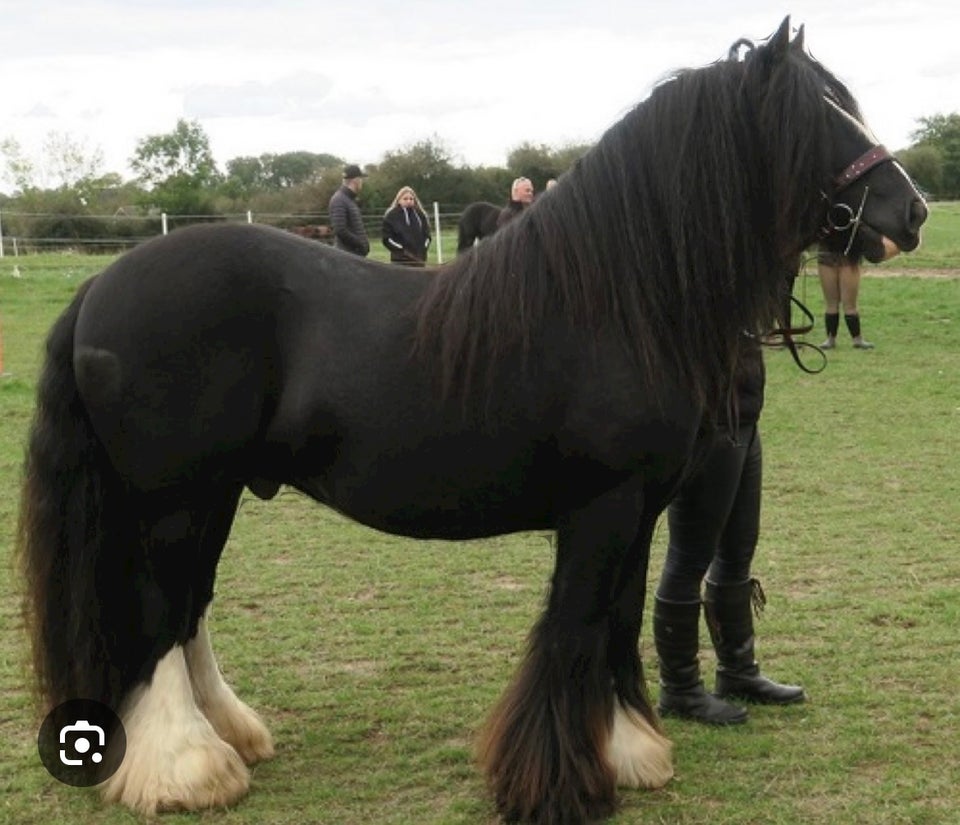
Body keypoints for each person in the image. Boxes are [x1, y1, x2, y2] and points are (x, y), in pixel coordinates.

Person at [653, 340, 805, 725]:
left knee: (737, 553)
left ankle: (738, 670)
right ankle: (680, 688)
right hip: (710, 423)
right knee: (690, 559)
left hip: (744, 418)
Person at [817, 249, 874, 349]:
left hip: (849, 256)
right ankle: (830, 339)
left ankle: (857, 339)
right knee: (831, 303)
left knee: (850, 304)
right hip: (826, 254)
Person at [381, 186, 431, 266]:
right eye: (405, 199)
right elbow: (387, 239)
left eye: (411, 199)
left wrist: (423, 249)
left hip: (419, 260)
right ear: (399, 200)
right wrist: (402, 251)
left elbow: (427, 236)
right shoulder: (391, 216)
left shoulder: (420, 215)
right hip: (400, 261)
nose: (408, 201)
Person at [328, 164, 370, 257]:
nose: (362, 182)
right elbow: (340, 230)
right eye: (361, 179)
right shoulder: (339, 200)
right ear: (356, 180)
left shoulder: (349, 200)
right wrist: (360, 244)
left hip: (353, 256)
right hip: (347, 257)